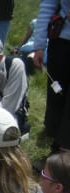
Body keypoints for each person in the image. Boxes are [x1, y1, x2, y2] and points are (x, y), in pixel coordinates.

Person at [33, 0, 70, 154]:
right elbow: (47, 7)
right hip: (61, 43)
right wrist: (39, 45)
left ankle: (61, 151)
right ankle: (53, 135)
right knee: (56, 95)